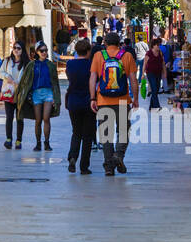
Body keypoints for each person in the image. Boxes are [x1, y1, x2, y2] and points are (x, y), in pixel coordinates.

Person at [91, 32, 139, 176]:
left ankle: (108, 167)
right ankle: (118, 156)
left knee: (106, 134)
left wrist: (92, 98)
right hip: (123, 100)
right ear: (119, 43)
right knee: (123, 130)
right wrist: (135, 99)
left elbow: (93, 78)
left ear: (105, 43)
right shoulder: (127, 56)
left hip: (103, 100)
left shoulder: (99, 56)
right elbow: (133, 80)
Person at [14, 41, 61, 150]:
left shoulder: (51, 65)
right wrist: (18, 95)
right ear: (37, 52)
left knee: (46, 118)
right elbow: (24, 81)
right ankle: (38, 143)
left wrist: (56, 97)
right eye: (42, 51)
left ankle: (47, 142)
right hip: (36, 94)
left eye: (45, 50)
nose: (44, 52)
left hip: (48, 93)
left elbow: (55, 82)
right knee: (38, 120)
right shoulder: (31, 65)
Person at [64, 39, 95, 174]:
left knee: (76, 132)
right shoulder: (91, 65)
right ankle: (84, 166)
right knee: (87, 136)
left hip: (73, 101)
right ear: (88, 51)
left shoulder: (70, 64)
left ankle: (72, 157)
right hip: (89, 102)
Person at [0, 41, 28, 149]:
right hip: (9, 93)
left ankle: (19, 141)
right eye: (14, 48)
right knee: (9, 117)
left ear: (22, 50)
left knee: (19, 118)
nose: (16, 50)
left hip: (20, 94)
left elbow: (29, 78)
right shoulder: (7, 61)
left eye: (18, 48)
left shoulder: (26, 63)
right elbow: (0, 73)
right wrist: (7, 76)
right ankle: (8, 139)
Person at [144, 38, 166, 109]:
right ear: (153, 46)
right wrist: (142, 74)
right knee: (154, 88)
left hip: (158, 73)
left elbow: (163, 64)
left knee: (156, 89)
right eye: (157, 45)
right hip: (150, 73)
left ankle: (151, 106)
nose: (158, 46)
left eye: (159, 45)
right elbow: (145, 64)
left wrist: (164, 73)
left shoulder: (160, 53)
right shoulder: (149, 53)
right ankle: (157, 106)